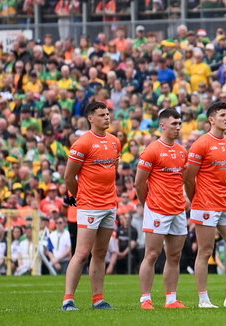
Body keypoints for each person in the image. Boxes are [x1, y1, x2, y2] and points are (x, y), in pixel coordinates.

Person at [185, 101, 226, 307]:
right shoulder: (201, 144)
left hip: (225, 202)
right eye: (223, 115)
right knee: (205, 251)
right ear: (211, 119)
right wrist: (197, 199)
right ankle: (203, 299)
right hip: (205, 203)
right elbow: (188, 178)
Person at [61, 101, 121, 311]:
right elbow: (69, 176)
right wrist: (81, 197)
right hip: (89, 206)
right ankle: (68, 300)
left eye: (107, 114)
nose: (107, 118)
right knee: (82, 252)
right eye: (102, 115)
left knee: (101, 253)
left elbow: (114, 170)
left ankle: (98, 299)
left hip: (109, 204)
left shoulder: (115, 142)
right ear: (90, 118)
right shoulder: (82, 143)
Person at [135, 108, 189, 309]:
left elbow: (181, 179)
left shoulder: (182, 151)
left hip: (177, 209)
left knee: (174, 256)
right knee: (152, 254)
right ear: (162, 125)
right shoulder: (152, 150)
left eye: (179, 123)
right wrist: (147, 205)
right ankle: (145, 298)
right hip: (157, 209)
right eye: (174, 123)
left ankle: (171, 299)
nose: (178, 127)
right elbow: (139, 183)